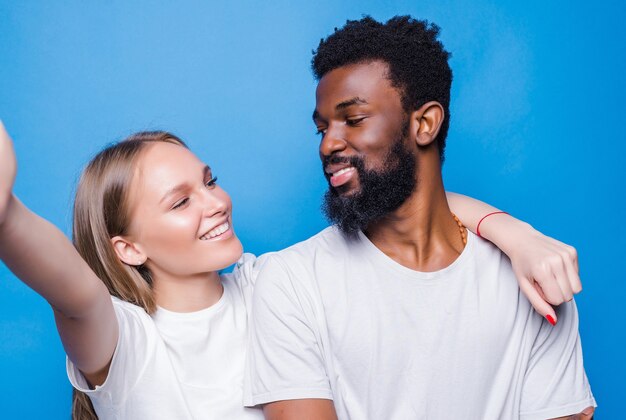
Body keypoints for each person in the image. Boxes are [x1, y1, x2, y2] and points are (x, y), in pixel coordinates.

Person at [0, 124, 581, 418]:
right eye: (180, 203)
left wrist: (514, 234)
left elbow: (410, 207)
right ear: (127, 249)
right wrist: (7, 215)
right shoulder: (126, 340)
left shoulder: (277, 282)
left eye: (208, 180)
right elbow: (73, 291)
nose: (215, 202)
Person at [243, 16, 596, 419]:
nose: (328, 145)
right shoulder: (291, 281)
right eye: (322, 128)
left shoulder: (532, 281)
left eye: (353, 120)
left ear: (425, 123)